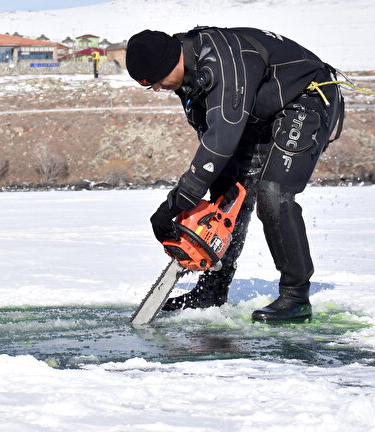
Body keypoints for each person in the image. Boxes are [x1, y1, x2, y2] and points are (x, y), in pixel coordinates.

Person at [126, 27, 344, 323]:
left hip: (305, 98)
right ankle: (211, 291)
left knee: (274, 194)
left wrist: (173, 205)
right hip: (260, 115)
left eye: (156, 81)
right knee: (227, 195)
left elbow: (220, 142)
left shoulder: (220, 62)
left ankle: (296, 297)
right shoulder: (188, 81)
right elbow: (212, 146)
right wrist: (205, 194)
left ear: (169, 62)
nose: (156, 89)